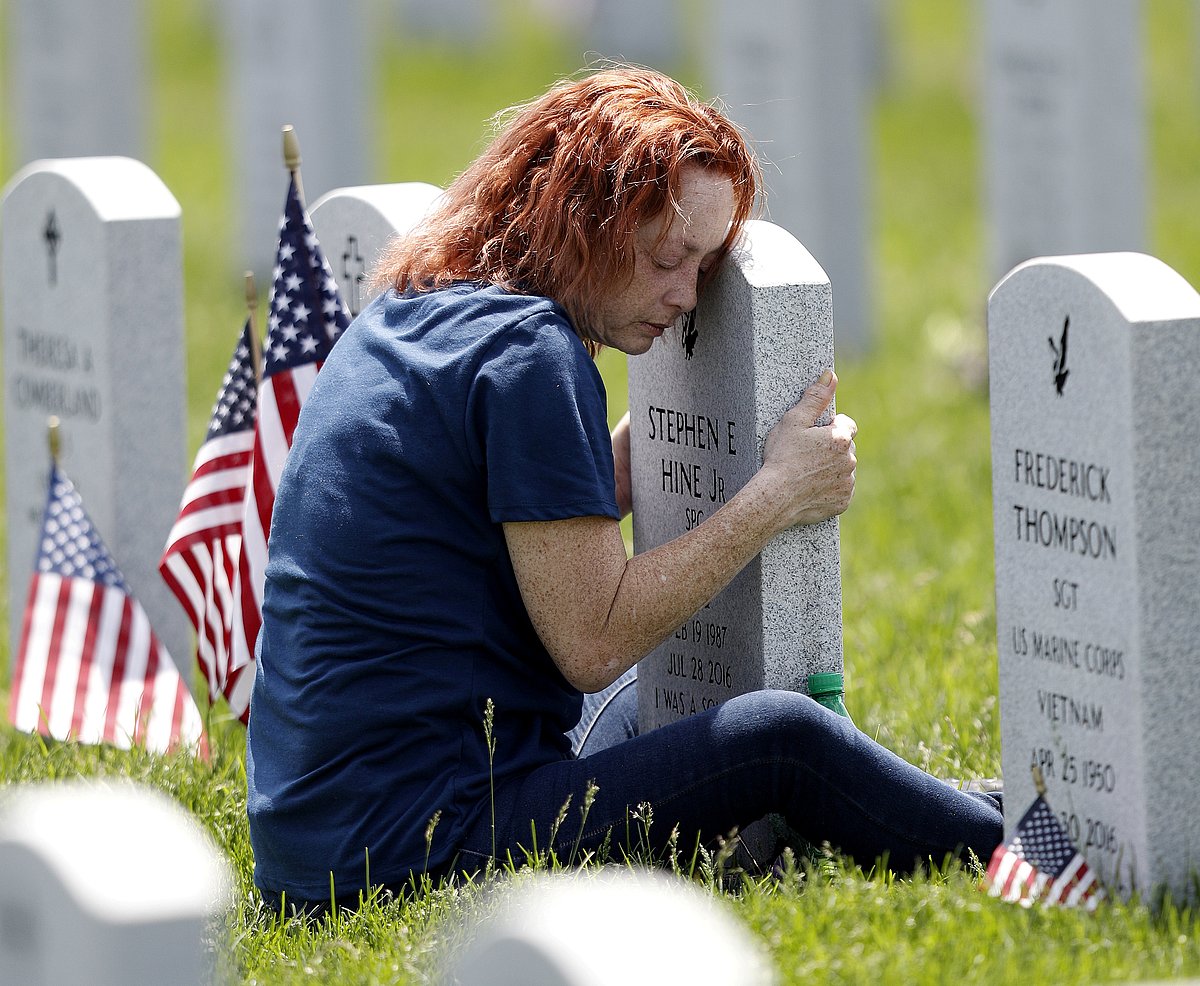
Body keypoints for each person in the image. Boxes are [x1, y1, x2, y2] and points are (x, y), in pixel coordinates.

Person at [245, 66, 1002, 914]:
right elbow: (593, 642)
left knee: (667, 694)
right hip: (424, 847)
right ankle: (1025, 850)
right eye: (666, 259)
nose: (684, 298)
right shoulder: (530, 354)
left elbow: (502, 530)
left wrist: (650, 447)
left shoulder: (417, 304)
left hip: (315, 839)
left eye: (704, 267)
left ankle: (954, 805)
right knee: (783, 736)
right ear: (583, 220)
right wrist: (775, 495)